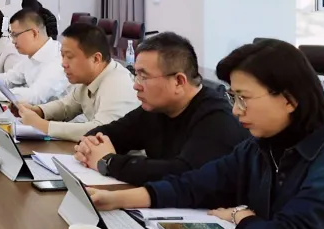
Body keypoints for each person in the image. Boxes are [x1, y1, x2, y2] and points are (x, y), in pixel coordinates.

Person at [88, 40, 324, 229]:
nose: (235, 110)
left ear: (289, 100)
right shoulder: (262, 146)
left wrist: (240, 217)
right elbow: (197, 184)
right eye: (233, 97)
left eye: (244, 98)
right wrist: (117, 199)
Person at [72, 32, 249, 185]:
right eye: (136, 75)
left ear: (178, 81)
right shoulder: (155, 109)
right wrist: (89, 146)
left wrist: (109, 162)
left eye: (144, 77)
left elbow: (184, 174)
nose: (136, 85)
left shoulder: (217, 119)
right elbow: (106, 133)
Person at [13, 22, 138, 141]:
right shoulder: (87, 79)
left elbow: (101, 130)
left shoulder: (118, 84)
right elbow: (66, 106)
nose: (63, 63)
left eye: (69, 57)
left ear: (96, 59)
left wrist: (43, 126)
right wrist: (38, 111)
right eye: (62, 56)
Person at [0, 8, 69, 105]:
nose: (12, 41)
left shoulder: (56, 59)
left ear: (34, 33)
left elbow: (35, 96)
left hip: (58, 122)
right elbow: (9, 78)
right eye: (11, 35)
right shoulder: (31, 57)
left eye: (15, 35)